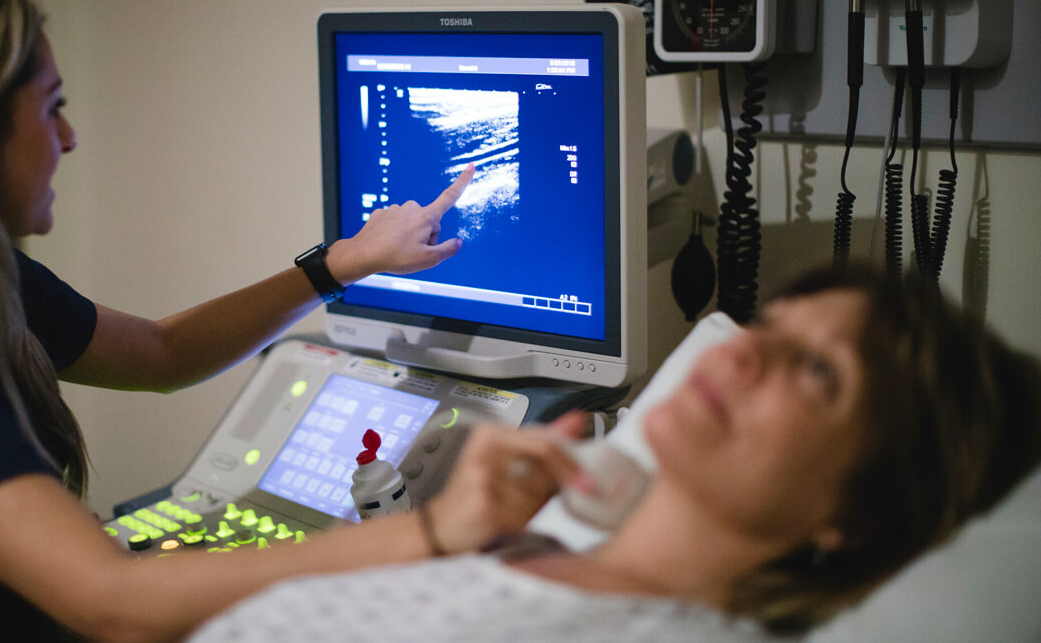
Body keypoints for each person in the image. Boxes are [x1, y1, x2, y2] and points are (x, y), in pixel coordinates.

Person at [0, 0, 588, 642]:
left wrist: (338, 264)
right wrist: (435, 534)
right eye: (52, 108)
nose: (71, 138)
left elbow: (161, 354)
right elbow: (109, 604)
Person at [187, 266, 1041, 643]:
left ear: (855, 513)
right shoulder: (514, 550)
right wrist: (439, 531)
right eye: (773, 329)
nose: (742, 350)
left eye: (819, 372)